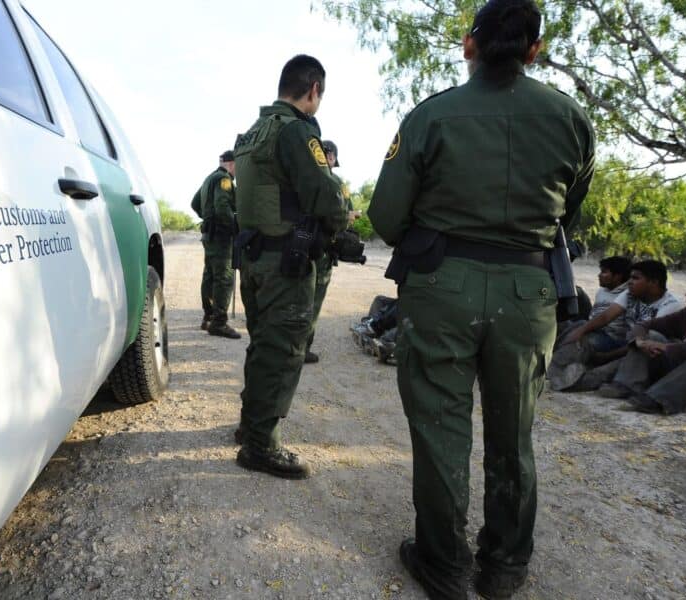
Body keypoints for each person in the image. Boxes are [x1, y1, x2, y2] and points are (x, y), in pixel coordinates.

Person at [367, 2, 595, 598]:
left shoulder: (430, 116)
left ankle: (443, 565)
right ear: (533, 50)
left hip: (442, 286)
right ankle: (504, 567)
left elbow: (386, 217)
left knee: (442, 430)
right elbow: (568, 212)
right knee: (513, 432)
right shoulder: (571, 119)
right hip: (528, 293)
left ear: (469, 45)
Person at [232, 54, 346, 479]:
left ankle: (251, 425)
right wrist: (339, 227)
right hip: (286, 262)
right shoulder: (297, 131)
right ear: (313, 90)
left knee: (263, 344)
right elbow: (324, 195)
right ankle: (261, 446)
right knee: (283, 350)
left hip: (256, 257)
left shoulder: (253, 132)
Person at [598, 271, 686, 414]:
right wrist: (639, 341)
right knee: (652, 336)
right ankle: (627, 385)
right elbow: (645, 325)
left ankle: (658, 400)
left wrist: (667, 348)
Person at [304, 139, 359, 363]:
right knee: (314, 299)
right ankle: (302, 348)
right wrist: (349, 218)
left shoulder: (303, 178)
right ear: (332, 158)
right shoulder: (336, 182)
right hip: (322, 249)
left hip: (298, 245)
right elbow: (343, 216)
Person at [547, 256, 631, 391]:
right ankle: (549, 360)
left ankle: (554, 372)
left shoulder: (628, 293)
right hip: (592, 327)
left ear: (618, 276)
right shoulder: (602, 291)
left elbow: (605, 318)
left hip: (609, 337)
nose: (599, 275)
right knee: (563, 326)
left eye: (604, 272)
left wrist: (581, 331)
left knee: (581, 337)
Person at [190, 150, 241, 339]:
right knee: (223, 278)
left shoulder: (209, 178)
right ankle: (219, 322)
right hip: (221, 236)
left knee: (210, 275)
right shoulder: (224, 180)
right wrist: (236, 228)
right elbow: (223, 207)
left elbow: (195, 203)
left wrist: (207, 217)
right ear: (232, 163)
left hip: (210, 235)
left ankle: (208, 317)